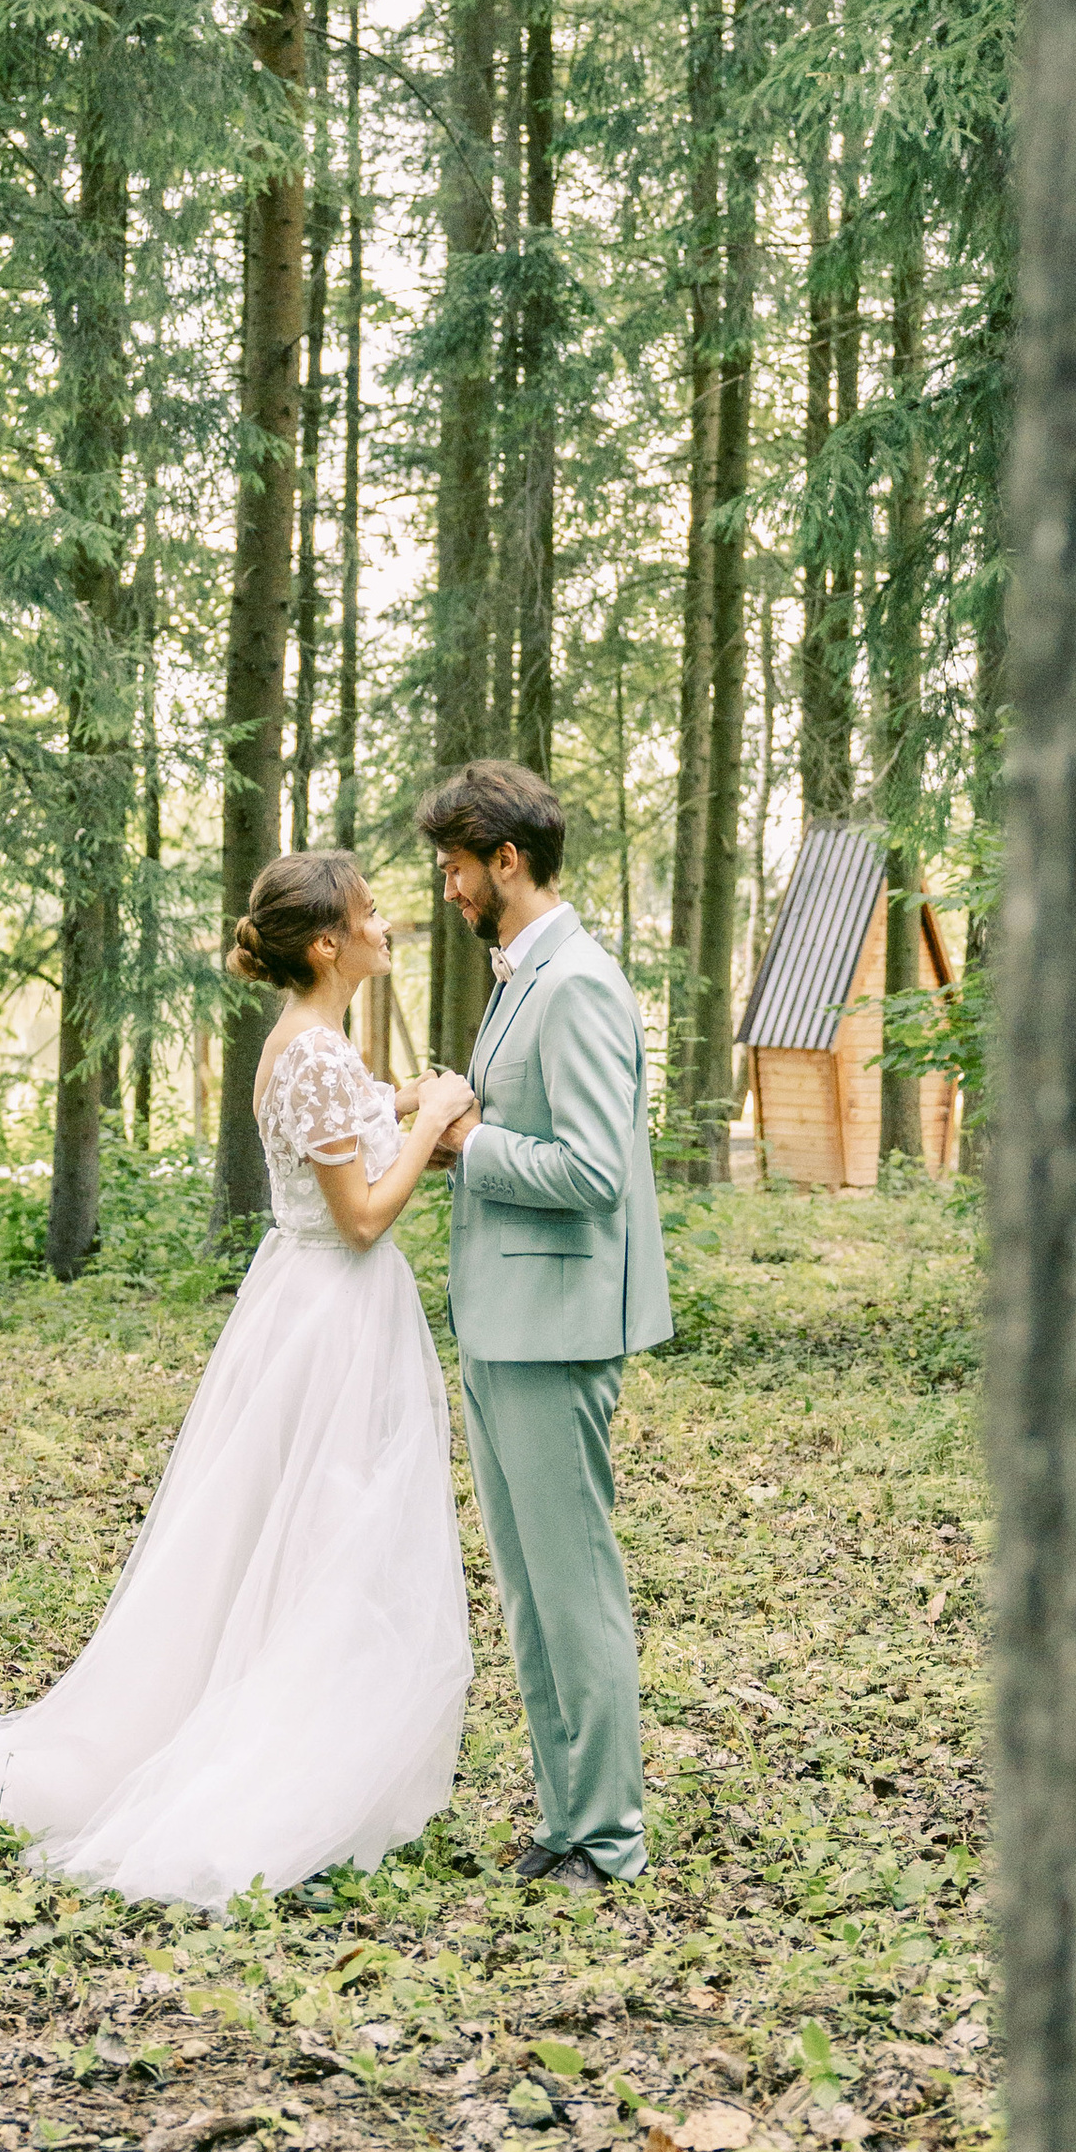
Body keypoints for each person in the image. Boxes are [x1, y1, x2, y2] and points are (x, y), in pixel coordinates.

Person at [0, 848, 477, 1911]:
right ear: (327, 945)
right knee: (324, 1524)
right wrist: (435, 1119)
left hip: (307, 1307)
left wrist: (406, 1108)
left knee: (294, 1523)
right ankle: (282, 1752)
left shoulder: (314, 1047)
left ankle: (304, 1720)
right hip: (332, 1310)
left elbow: (343, 1126)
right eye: (367, 912)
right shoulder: (311, 1053)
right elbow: (358, 1218)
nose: (385, 922)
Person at [417, 758, 673, 1889]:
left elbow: (591, 1172)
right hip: (501, 1320)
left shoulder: (575, 984)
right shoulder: (522, 975)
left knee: (573, 1594)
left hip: (554, 1331)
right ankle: (564, 1819)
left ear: (505, 861)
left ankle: (608, 1837)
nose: (446, 889)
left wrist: (465, 1140)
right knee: (526, 1597)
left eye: (455, 868)